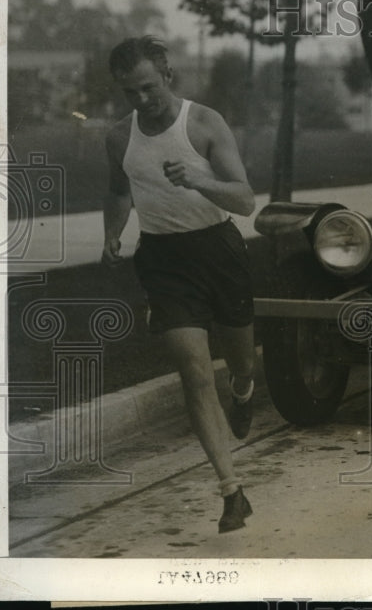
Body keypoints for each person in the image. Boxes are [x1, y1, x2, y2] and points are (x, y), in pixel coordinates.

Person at [101, 36, 257, 534]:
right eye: (131, 92)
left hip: (219, 249)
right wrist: (112, 233)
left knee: (240, 358)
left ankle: (245, 386)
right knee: (193, 370)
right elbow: (119, 190)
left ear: (168, 75)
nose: (142, 100)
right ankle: (232, 491)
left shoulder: (204, 123)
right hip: (164, 260)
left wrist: (199, 179)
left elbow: (245, 200)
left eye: (149, 87)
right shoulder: (118, 136)